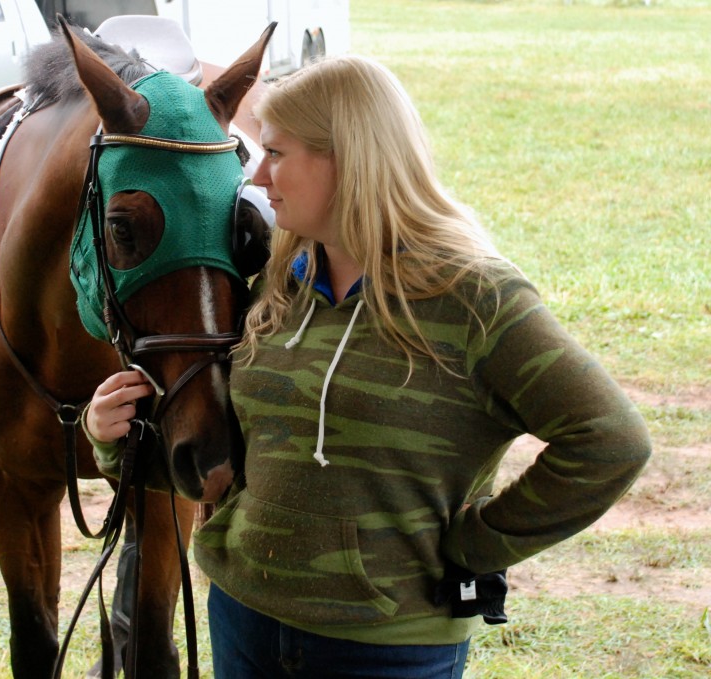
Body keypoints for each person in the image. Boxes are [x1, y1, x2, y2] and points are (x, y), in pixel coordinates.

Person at [83, 54, 651, 679]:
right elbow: (240, 473)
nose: (258, 180)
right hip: (245, 619)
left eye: (275, 154)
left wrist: (475, 545)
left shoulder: (473, 298)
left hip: (389, 645)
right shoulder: (279, 287)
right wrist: (115, 442)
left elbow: (610, 441)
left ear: (346, 156)